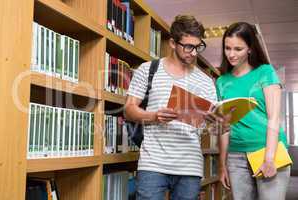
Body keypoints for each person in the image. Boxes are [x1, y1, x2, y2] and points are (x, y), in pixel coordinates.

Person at [124, 15, 218, 200]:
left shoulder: (206, 82)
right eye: (188, 46)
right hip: (153, 163)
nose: (194, 53)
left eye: (198, 47)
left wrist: (215, 122)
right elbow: (129, 109)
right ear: (173, 43)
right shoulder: (148, 70)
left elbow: (210, 127)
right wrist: (154, 116)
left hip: (190, 165)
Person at [216, 22, 290, 200]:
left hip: (268, 150)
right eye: (227, 48)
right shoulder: (222, 81)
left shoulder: (265, 72)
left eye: (238, 49)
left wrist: (269, 158)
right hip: (236, 156)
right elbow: (224, 126)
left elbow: (274, 118)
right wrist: (222, 164)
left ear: (250, 49)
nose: (231, 54)